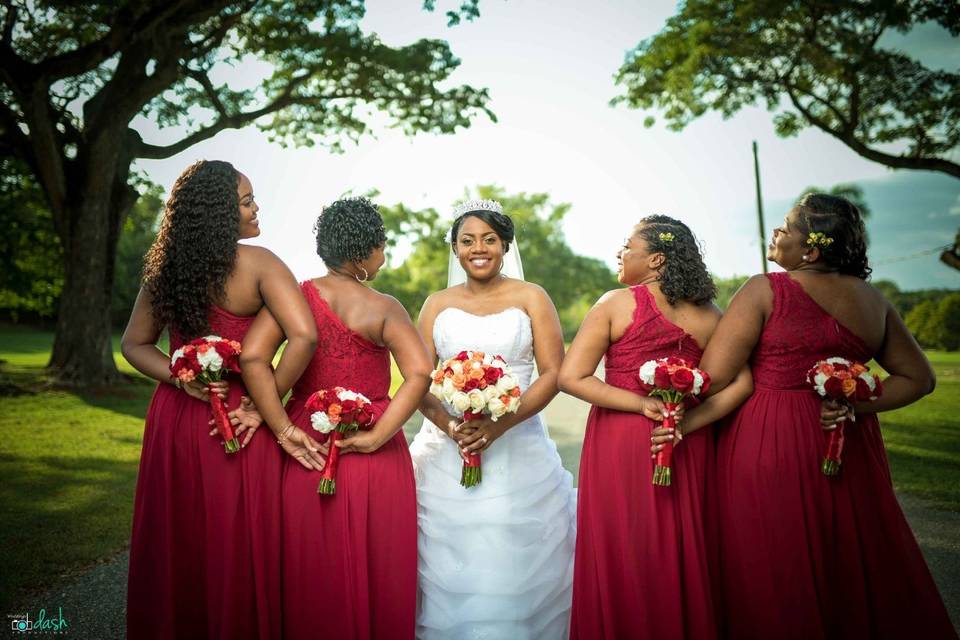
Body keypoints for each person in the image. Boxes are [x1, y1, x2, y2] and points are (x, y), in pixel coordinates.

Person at [700, 193, 956, 639]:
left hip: (768, 440)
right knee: (847, 555)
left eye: (786, 226)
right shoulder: (873, 302)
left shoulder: (765, 288)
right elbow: (919, 378)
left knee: (772, 559)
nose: (776, 232)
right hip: (845, 439)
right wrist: (855, 401)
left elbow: (716, 375)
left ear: (811, 251)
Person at [122, 160, 317, 639]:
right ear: (218, 215)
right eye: (246, 201)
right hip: (240, 418)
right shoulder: (262, 264)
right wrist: (261, 404)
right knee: (239, 539)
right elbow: (305, 336)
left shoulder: (165, 268)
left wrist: (176, 377)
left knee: (182, 536)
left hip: (179, 417)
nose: (256, 208)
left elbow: (134, 345)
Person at [240, 197, 431, 640]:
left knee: (310, 559)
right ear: (364, 253)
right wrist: (380, 435)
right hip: (374, 447)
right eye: (382, 246)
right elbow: (419, 372)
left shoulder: (297, 297)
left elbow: (254, 356)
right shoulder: (385, 307)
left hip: (306, 443)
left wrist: (270, 418)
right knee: (377, 558)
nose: (384, 255)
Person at [558, 215, 752, 639]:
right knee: (680, 547)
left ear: (657, 260)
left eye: (628, 246)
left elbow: (571, 377)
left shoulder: (614, 303)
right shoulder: (711, 313)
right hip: (686, 440)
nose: (619, 253)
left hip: (623, 439)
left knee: (624, 547)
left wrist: (641, 405)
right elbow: (742, 382)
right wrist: (687, 422)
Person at [409, 200, 577, 639]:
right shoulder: (436, 304)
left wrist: (498, 425)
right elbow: (417, 380)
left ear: (505, 245)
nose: (478, 249)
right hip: (445, 447)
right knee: (445, 552)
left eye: (489, 239)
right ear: (455, 248)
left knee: (510, 552)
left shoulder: (532, 297)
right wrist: (450, 426)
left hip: (517, 445)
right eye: (467, 241)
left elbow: (553, 373)